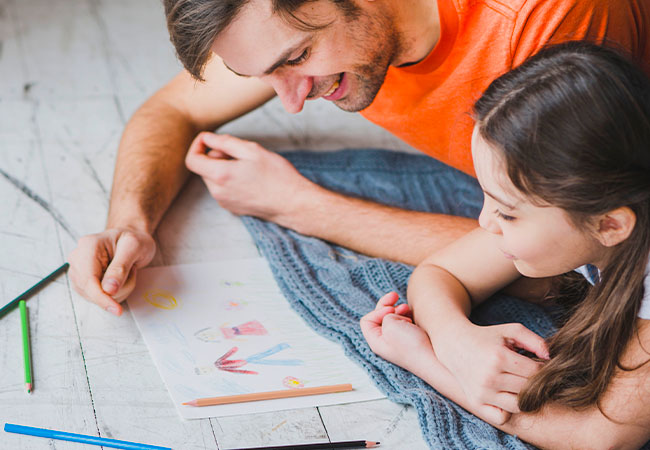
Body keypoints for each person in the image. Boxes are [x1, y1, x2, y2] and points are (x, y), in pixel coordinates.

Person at [68, 0, 650, 315]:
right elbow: (171, 112)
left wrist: (301, 206)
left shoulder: (548, 19)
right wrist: (130, 224)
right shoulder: (288, 30)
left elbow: (571, 257)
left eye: (296, 57)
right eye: (263, 74)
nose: (290, 101)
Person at [360, 41, 650, 448]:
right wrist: (456, 341)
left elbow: (595, 438)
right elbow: (442, 272)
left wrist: (424, 359)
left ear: (610, 225)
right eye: (486, 195)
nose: (483, 221)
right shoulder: (606, 207)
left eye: (509, 212)